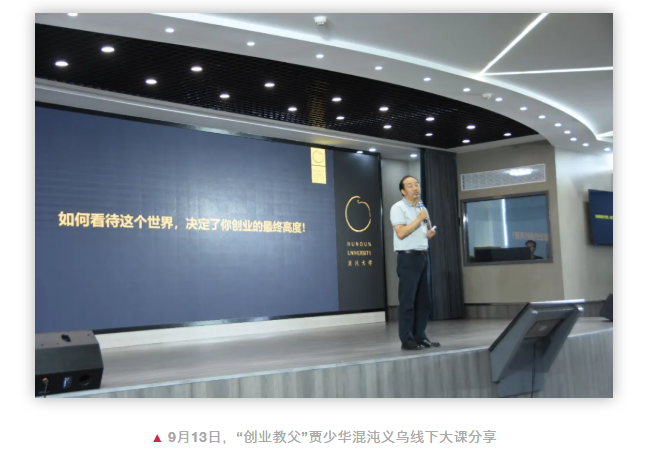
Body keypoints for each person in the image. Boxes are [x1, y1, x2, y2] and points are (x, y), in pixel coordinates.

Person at [390, 176, 441, 350]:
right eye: (410, 185)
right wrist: (419, 219)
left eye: (417, 184)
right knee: (408, 301)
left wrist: (429, 234)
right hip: (407, 258)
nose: (415, 188)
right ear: (403, 191)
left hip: (423, 256)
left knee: (423, 301)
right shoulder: (398, 208)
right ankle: (406, 339)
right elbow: (401, 233)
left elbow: (425, 232)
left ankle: (420, 336)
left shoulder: (421, 208)